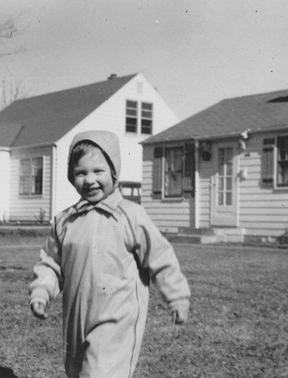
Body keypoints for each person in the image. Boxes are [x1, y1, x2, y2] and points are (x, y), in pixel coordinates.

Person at [29, 130, 190, 378]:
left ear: (113, 172)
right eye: (81, 173)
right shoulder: (65, 221)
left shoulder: (130, 215)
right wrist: (41, 291)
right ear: (72, 177)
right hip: (76, 320)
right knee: (76, 371)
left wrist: (177, 297)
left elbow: (161, 258)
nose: (90, 180)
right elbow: (51, 263)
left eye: (98, 171)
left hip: (117, 319)